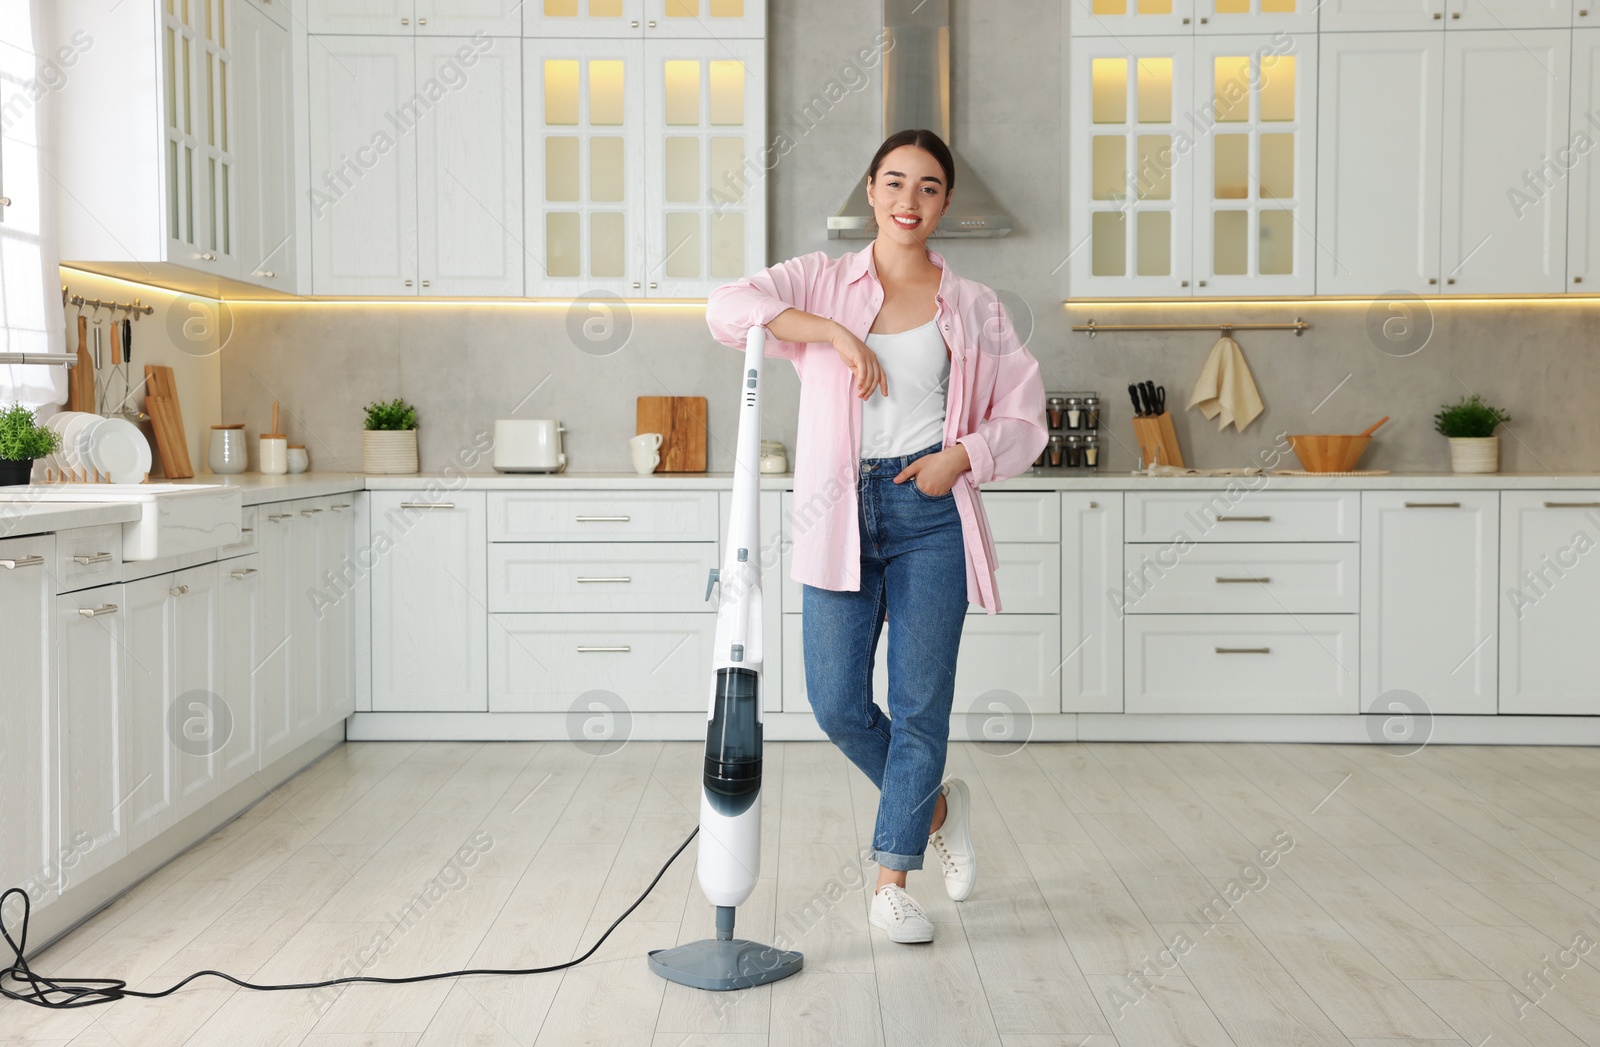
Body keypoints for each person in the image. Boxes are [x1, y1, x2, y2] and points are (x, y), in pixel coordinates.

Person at [705, 128, 1049, 944]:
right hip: (837, 513)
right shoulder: (819, 284)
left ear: (946, 203)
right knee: (836, 703)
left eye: (928, 187)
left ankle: (892, 879)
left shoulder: (974, 306)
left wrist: (960, 457)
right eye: (894, 183)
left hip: (929, 510)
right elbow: (726, 308)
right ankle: (935, 806)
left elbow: (1027, 420)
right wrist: (829, 333)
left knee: (920, 707)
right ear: (870, 190)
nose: (908, 200)